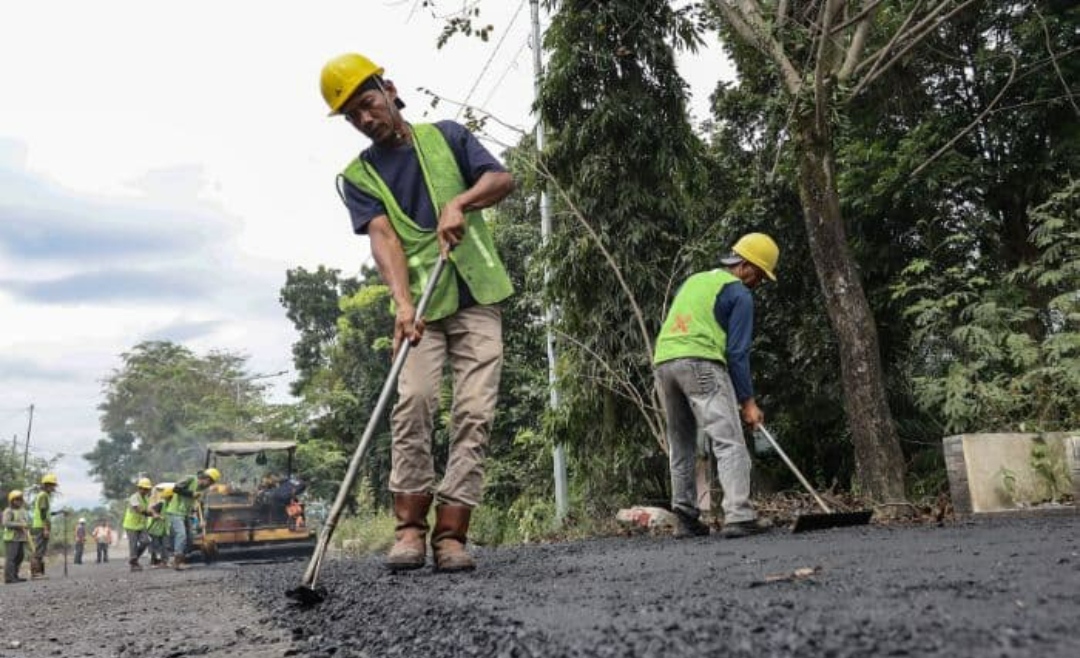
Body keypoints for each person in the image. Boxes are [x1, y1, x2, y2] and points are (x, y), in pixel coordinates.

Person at [320, 53, 515, 572]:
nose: (365, 119)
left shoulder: (448, 136)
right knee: (414, 403)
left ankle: (451, 535)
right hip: (419, 308)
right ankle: (409, 531)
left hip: (476, 295)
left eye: (368, 104)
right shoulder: (358, 176)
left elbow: (501, 180)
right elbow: (383, 239)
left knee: (474, 412)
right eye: (353, 116)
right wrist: (403, 305)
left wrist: (460, 203)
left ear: (389, 90)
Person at [653, 233, 780, 539]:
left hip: (664, 364)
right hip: (701, 362)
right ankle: (739, 515)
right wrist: (748, 402)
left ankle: (686, 518)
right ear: (745, 266)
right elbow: (737, 353)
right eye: (760, 275)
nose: (758, 282)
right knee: (728, 440)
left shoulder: (694, 281)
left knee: (681, 443)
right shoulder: (739, 293)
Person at [163, 468, 219, 570]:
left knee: (190, 538)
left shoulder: (202, 489)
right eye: (210, 482)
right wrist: (191, 494)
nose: (209, 485)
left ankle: (183, 559)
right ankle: (177, 561)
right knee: (181, 535)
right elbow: (176, 489)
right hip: (176, 511)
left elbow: (199, 505)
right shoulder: (190, 479)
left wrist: (202, 520)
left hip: (186, 514)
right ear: (207, 478)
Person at [29, 472, 59, 579]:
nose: (54, 488)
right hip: (41, 526)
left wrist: (59, 512)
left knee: (41, 549)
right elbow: (43, 513)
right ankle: (36, 573)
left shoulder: (44, 496)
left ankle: (40, 572)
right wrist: (45, 528)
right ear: (47, 485)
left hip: (41, 526)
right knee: (39, 549)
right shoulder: (43, 495)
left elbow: (47, 513)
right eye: (52, 485)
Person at [123, 478, 154, 572]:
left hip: (141, 525)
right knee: (133, 545)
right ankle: (134, 564)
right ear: (139, 488)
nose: (146, 491)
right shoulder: (134, 497)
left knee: (146, 541)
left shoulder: (146, 498)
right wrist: (150, 513)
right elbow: (138, 509)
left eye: (147, 489)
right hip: (131, 525)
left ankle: (134, 559)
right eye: (144, 489)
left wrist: (154, 513)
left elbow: (149, 509)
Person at [3, 490, 31, 584]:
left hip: (20, 538)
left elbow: (25, 522)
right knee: (11, 558)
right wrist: (20, 525)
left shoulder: (21, 511)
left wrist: (26, 525)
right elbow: (6, 523)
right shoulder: (8, 511)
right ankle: (9, 578)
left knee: (20, 557)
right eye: (17, 500)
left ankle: (15, 575)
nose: (19, 501)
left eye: (20, 499)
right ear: (12, 501)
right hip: (11, 538)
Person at [147, 485, 172, 568]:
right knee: (156, 546)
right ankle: (154, 562)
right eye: (170, 497)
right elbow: (151, 509)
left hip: (165, 529)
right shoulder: (161, 504)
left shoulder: (172, 505)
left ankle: (165, 562)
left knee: (165, 546)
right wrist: (157, 515)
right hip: (156, 529)